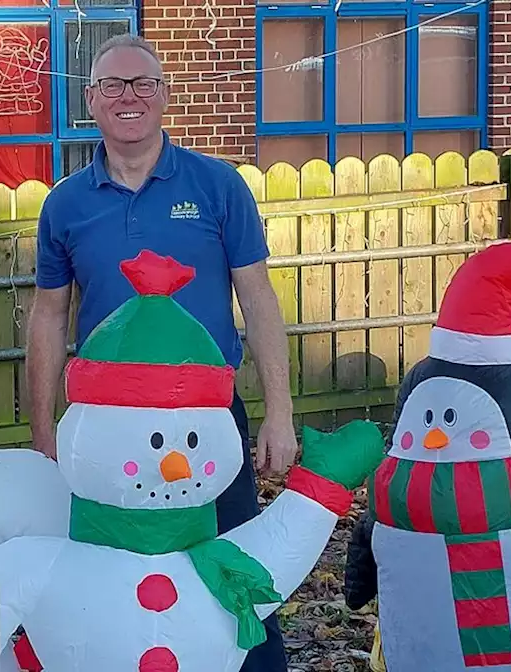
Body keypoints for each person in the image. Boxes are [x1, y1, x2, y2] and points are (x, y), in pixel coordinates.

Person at [26, 33, 297, 672]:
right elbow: (47, 318)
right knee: (109, 566)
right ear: (90, 99)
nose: (129, 96)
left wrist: (279, 413)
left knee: (230, 560)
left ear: (165, 97)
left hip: (206, 418)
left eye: (143, 83)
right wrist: (43, 433)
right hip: (106, 429)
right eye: (113, 85)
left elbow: (258, 301)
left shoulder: (217, 185)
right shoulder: (65, 203)